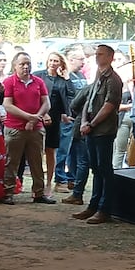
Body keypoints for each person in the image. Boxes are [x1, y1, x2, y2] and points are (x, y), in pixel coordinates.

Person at [71, 44, 123, 224]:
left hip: (104, 131)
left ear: (110, 57)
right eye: (96, 54)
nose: (97, 57)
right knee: (95, 168)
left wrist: (91, 124)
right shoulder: (98, 77)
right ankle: (93, 206)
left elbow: (109, 106)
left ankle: (104, 209)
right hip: (92, 130)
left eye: (101, 54)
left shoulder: (113, 80)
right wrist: (84, 121)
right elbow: (88, 102)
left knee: (104, 168)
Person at [1, 52, 55, 205]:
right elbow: (8, 105)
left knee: (37, 161)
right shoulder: (9, 82)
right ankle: (8, 192)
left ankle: (39, 193)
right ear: (15, 66)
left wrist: (35, 117)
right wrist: (29, 117)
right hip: (14, 128)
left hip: (36, 129)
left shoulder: (38, 82)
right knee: (12, 161)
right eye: (22, 64)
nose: (26, 67)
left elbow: (46, 103)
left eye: (28, 64)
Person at [33, 52, 74, 195]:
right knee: (36, 151)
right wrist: (43, 114)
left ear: (60, 63)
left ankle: (49, 183)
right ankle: (37, 184)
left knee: (51, 150)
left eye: (56, 61)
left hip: (55, 119)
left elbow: (71, 96)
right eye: (50, 60)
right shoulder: (38, 75)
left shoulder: (62, 80)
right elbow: (34, 96)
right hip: (38, 116)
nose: (52, 63)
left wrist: (67, 77)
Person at [56, 46, 88, 189]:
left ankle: (72, 178)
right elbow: (69, 95)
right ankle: (61, 178)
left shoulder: (81, 75)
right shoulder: (64, 76)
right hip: (67, 117)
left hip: (80, 118)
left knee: (76, 149)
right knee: (65, 149)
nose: (84, 62)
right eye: (81, 59)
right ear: (71, 60)